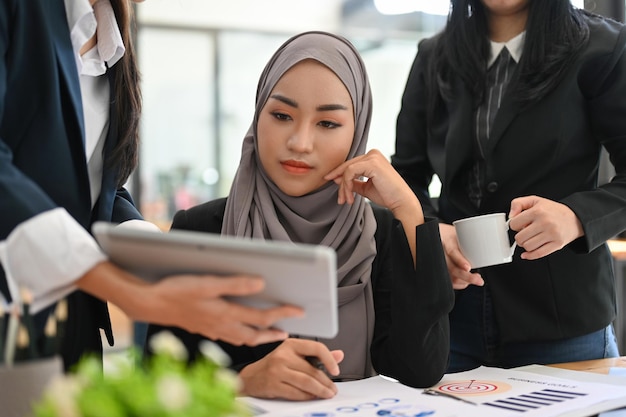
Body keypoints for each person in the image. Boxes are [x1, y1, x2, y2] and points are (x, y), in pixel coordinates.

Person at [146, 31, 454, 401]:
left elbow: (421, 369)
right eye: (281, 115)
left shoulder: (382, 233)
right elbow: (155, 379)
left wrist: (409, 211)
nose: (300, 142)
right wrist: (238, 382)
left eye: (327, 124)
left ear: (357, 133)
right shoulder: (198, 230)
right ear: (257, 115)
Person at [0, 0, 301, 370]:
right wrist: (132, 292)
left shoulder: (112, 38)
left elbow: (92, 190)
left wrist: (157, 254)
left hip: (68, 321)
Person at [391, 0, 626, 373]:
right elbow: (405, 177)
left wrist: (576, 217)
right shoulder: (433, 55)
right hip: (450, 317)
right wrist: (433, 233)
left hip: (561, 321)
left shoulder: (604, 47)